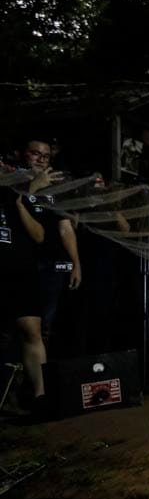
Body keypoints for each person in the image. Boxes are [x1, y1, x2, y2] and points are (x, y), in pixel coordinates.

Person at [22, 139, 83, 347]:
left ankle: (38, 374)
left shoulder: (55, 187)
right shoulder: (13, 182)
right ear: (24, 154)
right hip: (23, 264)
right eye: (35, 153)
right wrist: (33, 187)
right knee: (21, 327)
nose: (40, 159)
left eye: (46, 156)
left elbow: (65, 227)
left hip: (52, 265)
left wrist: (76, 263)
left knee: (45, 326)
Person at [1, 164, 49, 417]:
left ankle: (41, 396)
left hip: (22, 272)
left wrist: (22, 201)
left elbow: (39, 235)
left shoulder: (21, 196)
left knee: (33, 330)